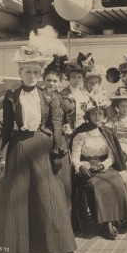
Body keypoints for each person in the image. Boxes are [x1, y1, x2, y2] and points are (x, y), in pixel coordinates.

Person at [0, 27, 76, 253]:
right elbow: (6, 128)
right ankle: (17, 249)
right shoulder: (11, 97)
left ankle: (53, 247)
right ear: (20, 71)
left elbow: (56, 125)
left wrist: (57, 151)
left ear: (40, 73)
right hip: (20, 148)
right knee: (19, 198)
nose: (32, 75)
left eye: (36, 71)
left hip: (43, 147)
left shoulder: (49, 96)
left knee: (48, 195)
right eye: (27, 71)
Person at [71, 89, 127, 240]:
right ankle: (106, 224)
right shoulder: (81, 133)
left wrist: (103, 165)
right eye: (93, 113)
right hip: (86, 168)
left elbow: (112, 156)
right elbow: (74, 157)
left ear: (104, 114)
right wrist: (81, 167)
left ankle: (122, 217)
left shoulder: (106, 131)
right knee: (98, 184)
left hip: (103, 166)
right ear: (88, 115)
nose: (97, 116)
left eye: (100, 113)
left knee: (116, 180)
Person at [42, 54, 73, 213]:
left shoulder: (64, 100)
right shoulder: (38, 98)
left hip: (60, 144)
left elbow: (69, 119)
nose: (52, 84)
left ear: (60, 82)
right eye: (49, 80)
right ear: (43, 80)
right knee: (48, 185)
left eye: (55, 81)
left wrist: (68, 126)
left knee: (64, 183)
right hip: (43, 144)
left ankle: (66, 220)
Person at [60, 53, 92, 131]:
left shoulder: (86, 94)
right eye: (73, 77)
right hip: (70, 129)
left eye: (79, 77)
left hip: (85, 127)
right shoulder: (62, 95)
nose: (77, 80)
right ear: (68, 78)